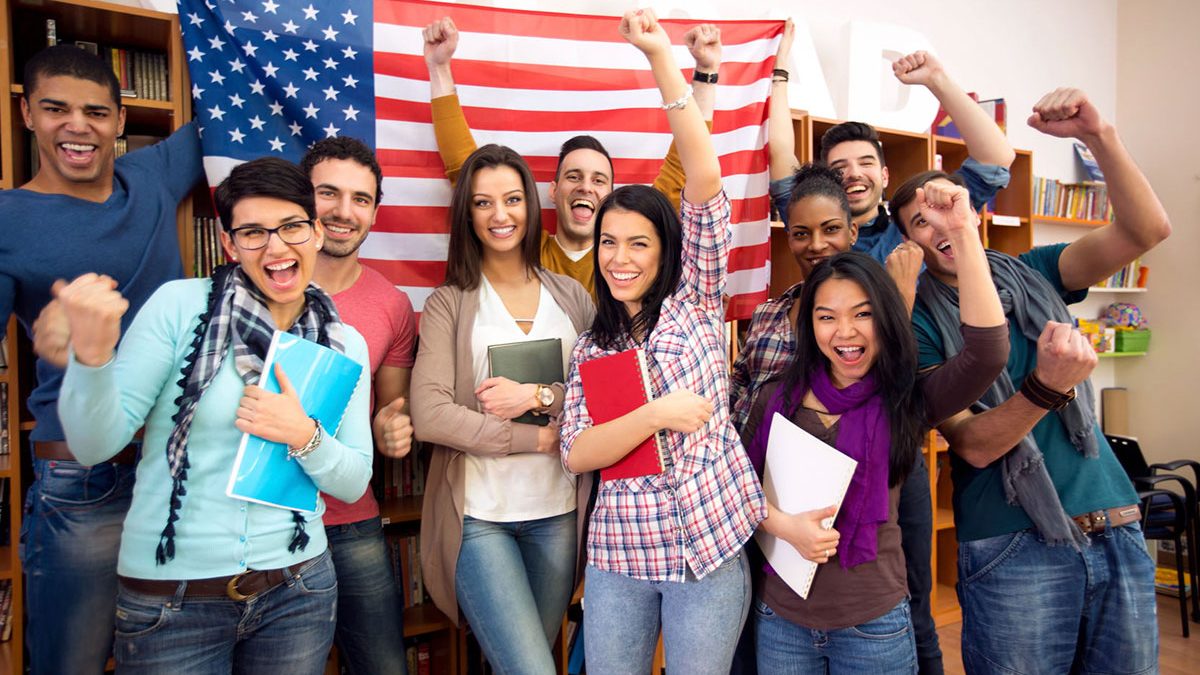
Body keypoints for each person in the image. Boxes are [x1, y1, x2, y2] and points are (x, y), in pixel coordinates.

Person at [55, 157, 373, 673]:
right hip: (172, 600)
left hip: (297, 590)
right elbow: (95, 447)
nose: (276, 248)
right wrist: (91, 360)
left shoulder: (344, 342)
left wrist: (304, 436)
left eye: (291, 227)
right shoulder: (180, 308)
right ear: (228, 244)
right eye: (253, 232)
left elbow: (354, 480)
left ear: (315, 233)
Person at [896, 87, 1170, 674]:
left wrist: (1100, 136)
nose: (940, 222)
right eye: (921, 220)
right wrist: (1045, 388)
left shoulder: (1036, 271)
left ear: (976, 210)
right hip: (1013, 542)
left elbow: (1145, 230)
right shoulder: (915, 324)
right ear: (909, 243)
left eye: (949, 205)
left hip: (1117, 523)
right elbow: (972, 444)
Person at [559, 11, 766, 674]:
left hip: (708, 550)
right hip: (620, 557)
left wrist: (659, 60)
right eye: (609, 243)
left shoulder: (697, 300)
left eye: (638, 243)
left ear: (666, 250)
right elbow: (576, 453)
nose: (621, 258)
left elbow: (705, 175)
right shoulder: (592, 346)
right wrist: (653, 413)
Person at [740, 175, 1008, 672]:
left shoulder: (905, 398)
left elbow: (987, 353)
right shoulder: (776, 397)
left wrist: (964, 234)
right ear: (809, 324)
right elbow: (732, 489)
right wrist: (783, 526)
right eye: (826, 317)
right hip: (779, 620)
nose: (845, 332)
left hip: (873, 625)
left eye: (862, 314)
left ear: (885, 319)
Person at [0, 44, 202, 674]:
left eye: (95, 111)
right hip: (86, 482)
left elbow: (245, 95)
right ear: (28, 113)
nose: (77, 125)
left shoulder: (154, 173)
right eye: (55, 108)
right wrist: (48, 342)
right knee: (73, 663)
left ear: (119, 119)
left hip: (178, 470)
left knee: (178, 658)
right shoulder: (6, 219)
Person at [410, 142, 595, 674]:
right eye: (483, 203)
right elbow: (431, 414)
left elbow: (597, 395)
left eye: (512, 199)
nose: (500, 215)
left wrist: (538, 396)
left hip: (558, 514)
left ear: (532, 207)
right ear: (466, 213)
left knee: (522, 663)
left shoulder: (572, 297)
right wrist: (536, 437)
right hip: (480, 519)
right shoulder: (450, 301)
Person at [421, 15, 723, 298]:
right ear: (553, 191)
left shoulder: (628, 259)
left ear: (611, 198)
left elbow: (685, 167)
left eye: (599, 180)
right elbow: (467, 171)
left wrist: (706, 74)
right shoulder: (526, 249)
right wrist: (439, 67)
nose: (585, 187)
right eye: (574, 176)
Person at [301, 137, 417, 675]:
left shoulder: (392, 305)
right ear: (303, 197)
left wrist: (391, 428)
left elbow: (387, 409)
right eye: (328, 193)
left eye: (361, 199)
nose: (344, 212)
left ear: (374, 210)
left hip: (351, 520)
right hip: (260, 523)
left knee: (386, 665)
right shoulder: (259, 284)